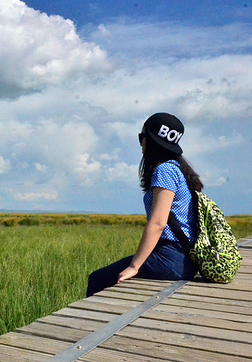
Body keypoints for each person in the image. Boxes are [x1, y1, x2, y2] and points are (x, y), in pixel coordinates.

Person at [86, 112, 202, 297]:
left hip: (172, 257)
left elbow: (158, 223)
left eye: (142, 137)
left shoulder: (164, 171)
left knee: (98, 279)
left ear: (151, 140)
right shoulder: (178, 169)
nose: (140, 142)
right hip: (182, 258)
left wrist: (134, 266)